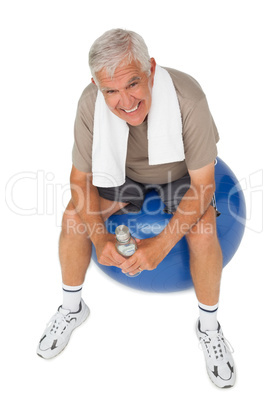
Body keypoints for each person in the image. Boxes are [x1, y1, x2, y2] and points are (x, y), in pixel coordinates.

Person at [37, 28, 235, 388]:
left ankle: (210, 329)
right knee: (72, 217)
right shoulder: (90, 104)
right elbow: (80, 181)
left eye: (132, 84)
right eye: (110, 90)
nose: (124, 100)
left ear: (151, 70)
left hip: (179, 175)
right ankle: (72, 308)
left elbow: (204, 183)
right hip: (121, 174)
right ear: (97, 85)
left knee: (204, 230)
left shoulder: (187, 97)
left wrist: (160, 246)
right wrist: (100, 242)